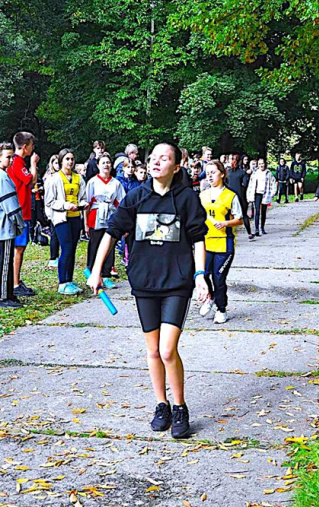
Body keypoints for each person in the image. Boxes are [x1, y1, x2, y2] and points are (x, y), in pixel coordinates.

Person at [86, 142, 209, 439]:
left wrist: (201, 275)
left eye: (164, 158)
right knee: (153, 350)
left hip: (177, 283)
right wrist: (97, 270)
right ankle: (161, 404)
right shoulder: (136, 196)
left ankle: (180, 407)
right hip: (144, 283)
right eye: (153, 158)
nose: (156, 162)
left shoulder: (187, 198)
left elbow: (199, 239)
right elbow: (111, 232)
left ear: (176, 166)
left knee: (168, 350)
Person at [199, 160, 243, 324]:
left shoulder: (231, 196)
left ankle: (221, 309)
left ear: (222, 174)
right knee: (205, 275)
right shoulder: (202, 195)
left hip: (224, 243)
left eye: (213, 172)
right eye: (207, 172)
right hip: (205, 242)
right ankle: (209, 298)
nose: (210, 175)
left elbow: (240, 219)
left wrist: (225, 223)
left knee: (219, 278)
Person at [0, 143, 25, 308]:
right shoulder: (1, 176)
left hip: (3, 224)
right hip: (5, 225)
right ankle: (3, 297)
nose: (10, 160)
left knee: (5, 259)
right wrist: (19, 223)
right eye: (7, 157)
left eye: (11, 157)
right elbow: (9, 204)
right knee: (5, 261)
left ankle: (4, 292)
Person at [45, 149, 88, 295]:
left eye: (72, 159)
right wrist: (65, 205)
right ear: (61, 161)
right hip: (61, 218)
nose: (70, 162)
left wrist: (83, 204)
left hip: (76, 216)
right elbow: (50, 201)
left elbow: (83, 196)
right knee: (67, 248)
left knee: (73, 249)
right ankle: (62, 282)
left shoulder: (78, 178)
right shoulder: (55, 178)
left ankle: (69, 280)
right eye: (67, 159)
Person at [86, 153, 125, 287]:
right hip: (96, 215)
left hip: (110, 214)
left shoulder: (116, 183)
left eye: (108, 162)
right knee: (95, 243)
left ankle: (107, 273)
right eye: (103, 163)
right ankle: (92, 271)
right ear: (98, 165)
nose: (106, 165)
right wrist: (85, 223)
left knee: (110, 244)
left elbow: (121, 202)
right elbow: (87, 203)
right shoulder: (92, 182)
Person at [8, 132, 39, 298]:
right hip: (21, 211)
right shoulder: (17, 162)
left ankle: (16, 280)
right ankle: (14, 283)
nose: (33, 148)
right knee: (19, 248)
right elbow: (30, 180)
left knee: (21, 247)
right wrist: (33, 164)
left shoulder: (17, 162)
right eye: (31, 145)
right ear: (25, 146)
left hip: (24, 210)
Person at [226, 154, 253, 241]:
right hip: (240, 196)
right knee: (244, 215)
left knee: (230, 215)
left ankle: (229, 233)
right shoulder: (242, 172)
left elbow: (225, 184)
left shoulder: (228, 173)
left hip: (231, 196)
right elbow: (245, 185)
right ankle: (249, 233)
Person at [247, 158, 276, 236]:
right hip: (257, 194)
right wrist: (249, 195)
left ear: (265, 164)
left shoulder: (268, 173)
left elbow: (273, 182)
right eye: (259, 164)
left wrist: (273, 192)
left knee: (263, 212)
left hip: (265, 193)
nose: (261, 165)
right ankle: (256, 229)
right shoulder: (255, 173)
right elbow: (251, 185)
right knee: (257, 211)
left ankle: (262, 228)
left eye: (262, 164)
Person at [43, 155, 62, 266]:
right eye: (55, 163)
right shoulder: (49, 177)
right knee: (54, 233)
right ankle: (53, 257)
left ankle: (58, 256)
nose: (58, 165)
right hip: (53, 209)